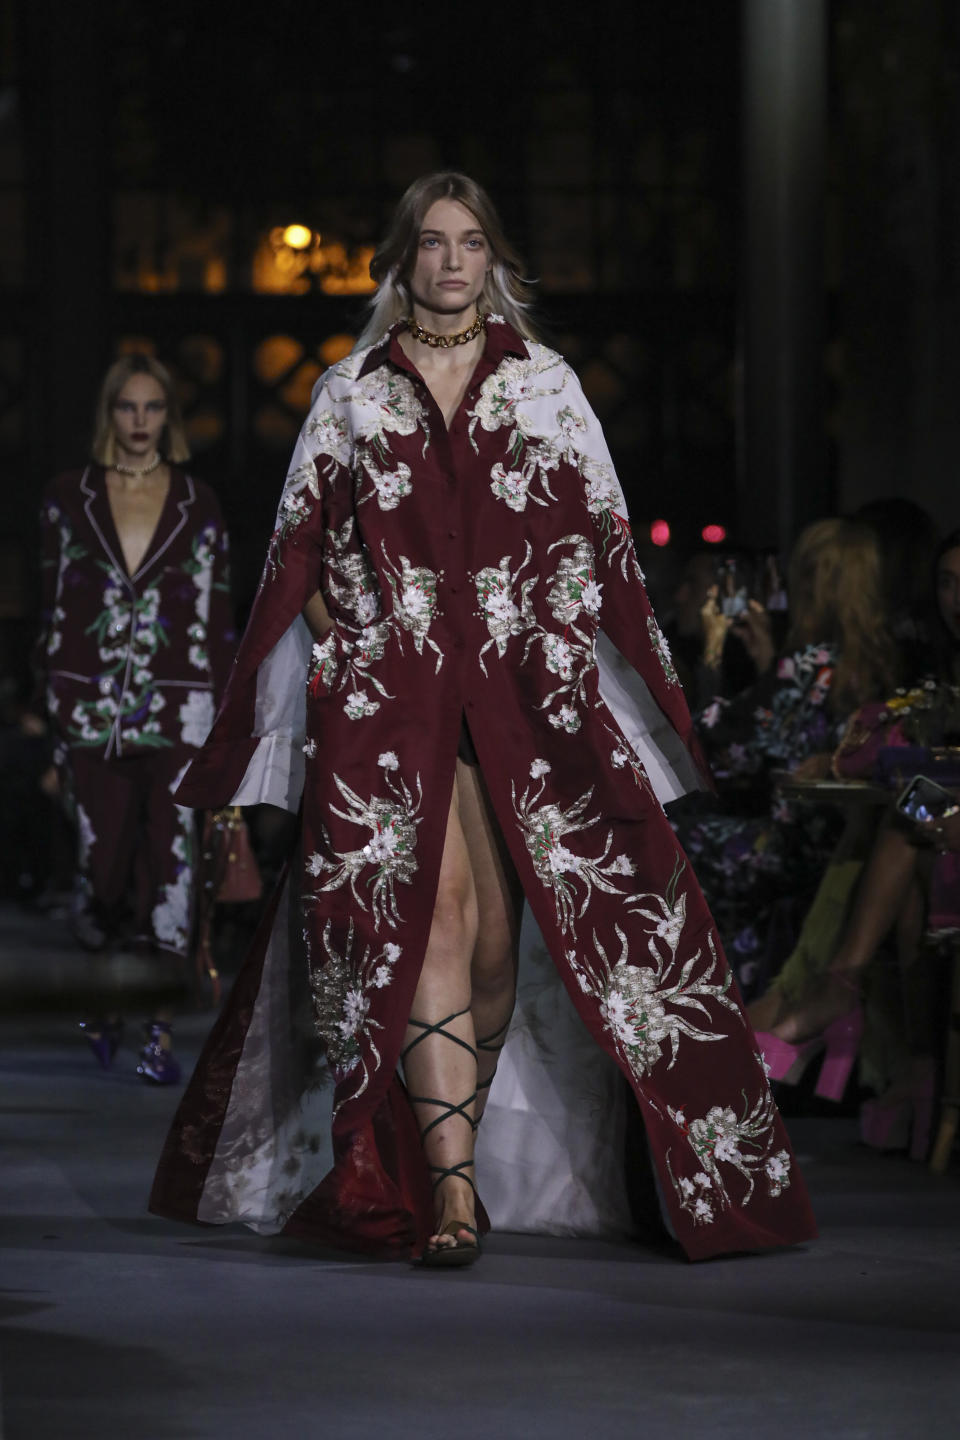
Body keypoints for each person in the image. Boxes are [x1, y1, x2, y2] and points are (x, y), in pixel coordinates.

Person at [149, 172, 815, 1265]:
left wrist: (613, 691)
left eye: (469, 244)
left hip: (520, 698)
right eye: (431, 243)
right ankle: (453, 1193)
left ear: (493, 259)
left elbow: (604, 548)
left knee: (503, 941)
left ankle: (453, 1154)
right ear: (403, 260)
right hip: (393, 700)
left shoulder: (548, 387)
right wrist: (354, 642)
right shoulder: (350, 392)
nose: (451, 262)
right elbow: (298, 553)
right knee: (429, 921)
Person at [34, 354, 235, 1082]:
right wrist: (51, 713)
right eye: (128, 408)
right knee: (105, 868)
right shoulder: (69, 496)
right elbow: (53, 607)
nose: (141, 422)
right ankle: (106, 1000)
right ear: (109, 414)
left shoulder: (197, 502)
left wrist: (226, 724)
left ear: (168, 417)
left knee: (171, 870)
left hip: (181, 707)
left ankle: (157, 1029)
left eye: (154, 408)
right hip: (89, 710)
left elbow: (218, 615)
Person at [747, 529, 960, 1143]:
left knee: (895, 821)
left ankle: (834, 991)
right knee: (902, 827)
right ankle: (912, 1067)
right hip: (929, 822)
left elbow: (746, 747)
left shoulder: (843, 657)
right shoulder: (936, 666)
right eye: (946, 583)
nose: (955, 598)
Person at [673, 518, 900, 1003]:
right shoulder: (877, 662)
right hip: (840, 838)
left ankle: (691, 1007)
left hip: (793, 845)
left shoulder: (809, 663)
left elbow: (715, 740)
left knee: (661, 837)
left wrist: (713, 649)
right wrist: (768, 666)